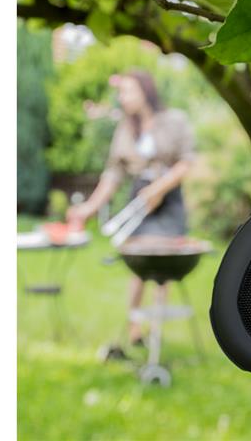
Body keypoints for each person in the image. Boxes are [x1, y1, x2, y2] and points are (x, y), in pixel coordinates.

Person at [67, 70, 196, 348]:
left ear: (145, 91)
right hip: (139, 196)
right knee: (138, 264)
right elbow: (113, 174)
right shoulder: (125, 129)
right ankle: (134, 329)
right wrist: (89, 208)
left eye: (128, 91)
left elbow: (186, 162)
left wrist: (159, 189)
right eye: (121, 92)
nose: (122, 98)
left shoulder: (173, 121)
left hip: (168, 196)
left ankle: (156, 329)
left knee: (162, 263)